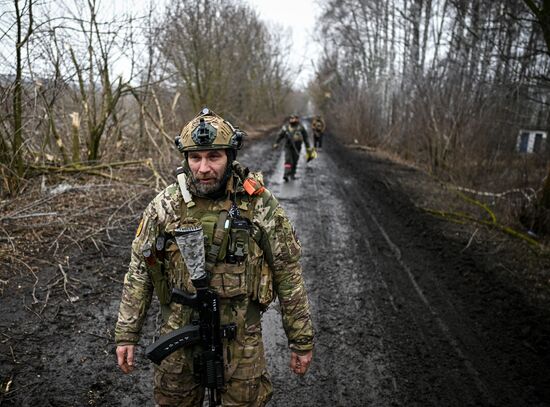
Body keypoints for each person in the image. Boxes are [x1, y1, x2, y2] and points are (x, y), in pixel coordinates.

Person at [115, 107, 314, 406]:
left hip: (241, 341)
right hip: (178, 338)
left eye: (214, 157)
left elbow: (288, 274)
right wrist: (127, 334)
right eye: (195, 158)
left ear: (230, 157)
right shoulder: (166, 205)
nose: (204, 168)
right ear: (186, 159)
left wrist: (300, 340)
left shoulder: (258, 204)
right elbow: (140, 271)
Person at [272, 114, 314, 182]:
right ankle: (286, 174)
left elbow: (306, 138)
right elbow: (280, 135)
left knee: (295, 161)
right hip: (288, 147)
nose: (292, 120)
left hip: (297, 147)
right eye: (291, 118)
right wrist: (276, 143)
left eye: (294, 118)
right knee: (288, 160)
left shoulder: (301, 127)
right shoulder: (286, 127)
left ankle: (292, 174)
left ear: (297, 119)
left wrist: (308, 148)